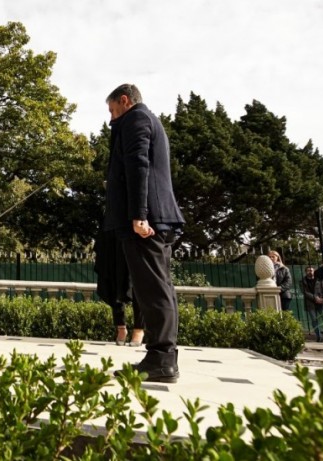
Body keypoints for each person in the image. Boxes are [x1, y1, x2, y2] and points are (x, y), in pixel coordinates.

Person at [104, 84, 185, 383]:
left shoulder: (136, 119)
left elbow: (140, 166)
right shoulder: (150, 119)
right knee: (159, 287)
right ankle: (164, 356)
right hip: (155, 218)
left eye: (112, 110)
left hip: (145, 221)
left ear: (124, 101)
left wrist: (139, 215)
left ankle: (161, 359)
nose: (112, 119)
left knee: (152, 289)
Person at [94, 226, 145, 346]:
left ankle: (139, 328)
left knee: (137, 280)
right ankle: (121, 327)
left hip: (134, 228)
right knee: (112, 278)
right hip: (112, 229)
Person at [301, 266, 323, 341]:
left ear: (314, 271)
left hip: (322, 302)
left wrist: (322, 298)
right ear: (305, 272)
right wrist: (315, 298)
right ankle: (319, 337)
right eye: (308, 270)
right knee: (314, 320)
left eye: (311, 270)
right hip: (311, 303)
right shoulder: (303, 281)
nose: (310, 272)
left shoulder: (320, 279)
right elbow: (305, 292)